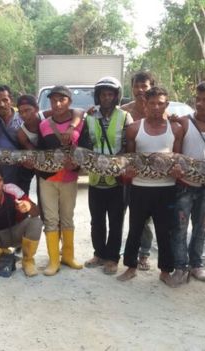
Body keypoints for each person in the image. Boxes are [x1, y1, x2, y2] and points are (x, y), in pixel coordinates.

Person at [117, 87, 184, 285]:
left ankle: (165, 271)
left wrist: (178, 171)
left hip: (167, 188)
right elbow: (130, 159)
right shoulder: (134, 129)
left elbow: (178, 160)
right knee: (135, 229)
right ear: (145, 104)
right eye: (152, 103)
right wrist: (128, 172)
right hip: (140, 187)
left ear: (167, 105)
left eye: (160, 103)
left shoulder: (176, 129)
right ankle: (130, 267)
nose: (156, 107)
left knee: (165, 231)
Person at [170, 81, 205, 285]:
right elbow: (175, 153)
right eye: (197, 99)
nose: (200, 103)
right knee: (179, 228)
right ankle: (180, 267)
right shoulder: (184, 122)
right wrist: (175, 168)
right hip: (183, 185)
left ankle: (196, 265)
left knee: (201, 228)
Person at [37, 85, 91, 276]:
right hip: (48, 180)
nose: (58, 104)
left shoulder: (81, 123)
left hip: (69, 178)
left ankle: (68, 256)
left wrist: (75, 166)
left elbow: (87, 150)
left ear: (70, 102)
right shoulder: (44, 125)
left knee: (67, 218)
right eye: (54, 100)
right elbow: (40, 152)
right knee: (51, 219)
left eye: (62, 100)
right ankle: (53, 261)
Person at [83, 77, 132, 275]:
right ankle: (99, 254)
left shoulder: (124, 116)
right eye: (103, 94)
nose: (106, 98)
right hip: (95, 178)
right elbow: (85, 144)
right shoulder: (90, 116)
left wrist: (117, 164)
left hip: (116, 178)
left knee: (116, 220)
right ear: (98, 96)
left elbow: (129, 146)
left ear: (116, 96)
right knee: (96, 220)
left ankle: (112, 258)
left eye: (110, 94)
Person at [121, 71, 156, 270]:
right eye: (137, 86)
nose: (140, 90)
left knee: (145, 218)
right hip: (124, 171)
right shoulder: (123, 111)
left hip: (149, 175)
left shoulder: (160, 112)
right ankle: (115, 252)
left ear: (152, 88)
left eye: (145, 86)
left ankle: (143, 254)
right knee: (120, 213)